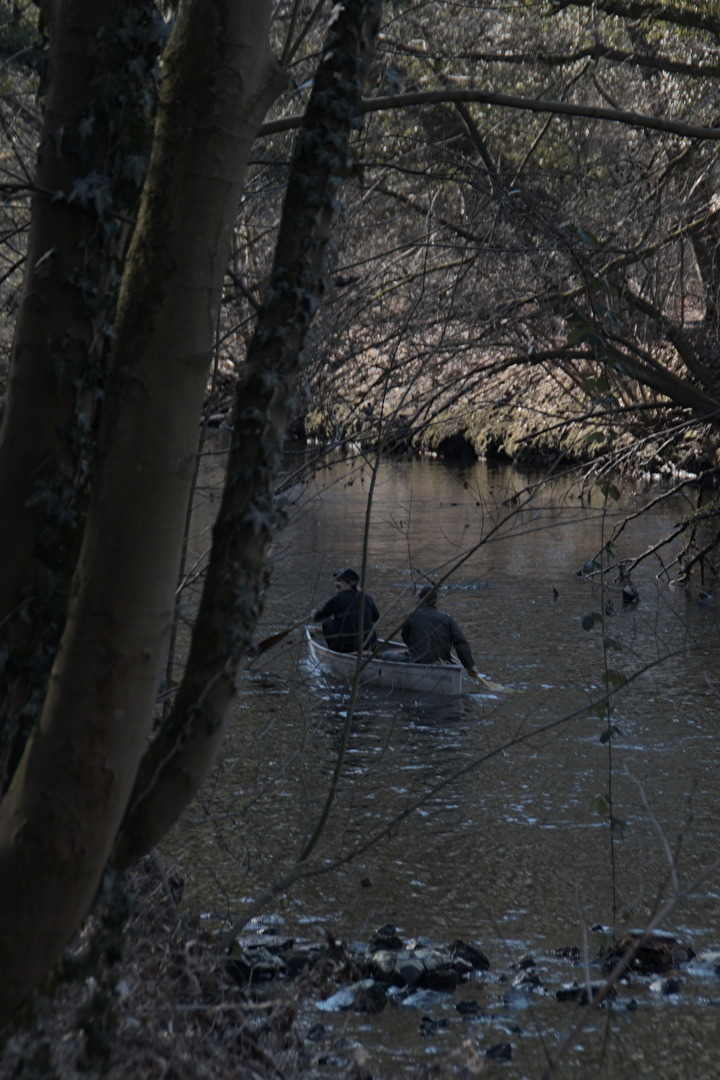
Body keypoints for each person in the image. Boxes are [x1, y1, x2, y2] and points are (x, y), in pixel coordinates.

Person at [385, 585, 479, 675]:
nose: (416, 600)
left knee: (386, 655)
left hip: (417, 661)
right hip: (442, 662)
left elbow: (406, 638)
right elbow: (461, 643)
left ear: (422, 599)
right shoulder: (447, 618)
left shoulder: (412, 616)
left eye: (417, 597)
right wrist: (470, 666)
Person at [311, 568, 380, 653]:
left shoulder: (337, 599)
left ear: (350, 583)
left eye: (339, 581)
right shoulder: (367, 598)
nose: (336, 584)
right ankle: (368, 649)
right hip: (367, 646)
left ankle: (335, 652)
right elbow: (375, 618)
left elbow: (317, 617)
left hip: (344, 648)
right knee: (370, 626)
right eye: (336, 581)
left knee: (327, 622)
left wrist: (313, 613)